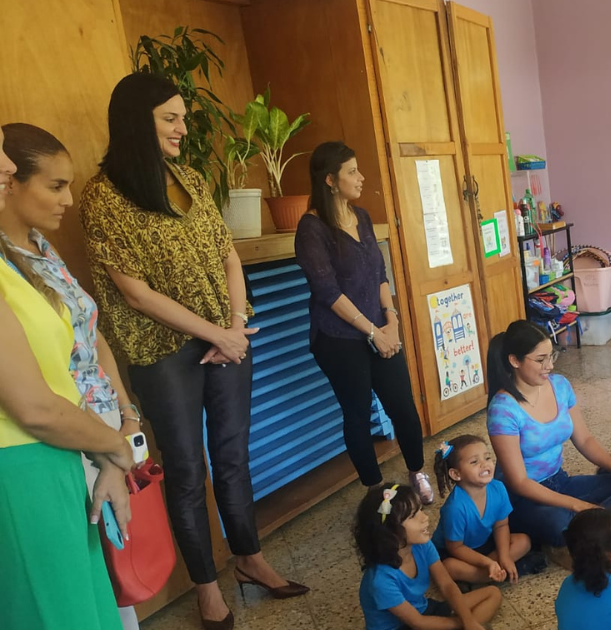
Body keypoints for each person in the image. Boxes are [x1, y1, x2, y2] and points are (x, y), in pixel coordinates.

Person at [77, 72, 305, 628]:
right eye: (170, 118)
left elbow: (228, 255)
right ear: (137, 121)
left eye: (182, 116)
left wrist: (232, 324)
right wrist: (217, 335)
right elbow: (134, 291)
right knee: (185, 469)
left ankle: (249, 559)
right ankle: (207, 587)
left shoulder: (190, 177)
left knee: (232, 456)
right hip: (162, 352)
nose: (183, 127)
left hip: (223, 339)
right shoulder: (102, 198)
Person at [0, 122, 142, 629]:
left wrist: (124, 422)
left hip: (86, 440)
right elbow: (36, 402)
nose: (68, 198)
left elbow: (89, 334)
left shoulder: (42, 249)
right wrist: (112, 448)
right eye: (55, 185)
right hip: (46, 449)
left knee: (97, 598)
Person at [294, 140, 431, 500]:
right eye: (351, 171)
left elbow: (379, 275)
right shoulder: (311, 228)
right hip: (338, 338)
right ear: (329, 180)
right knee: (357, 414)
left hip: (380, 328)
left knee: (402, 405)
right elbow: (327, 291)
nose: (360, 177)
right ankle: (376, 492)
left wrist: (391, 321)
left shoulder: (364, 217)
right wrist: (373, 332)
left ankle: (417, 474)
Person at [486, 320, 611, 564]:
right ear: (514, 361)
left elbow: (585, 440)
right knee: (559, 524)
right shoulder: (503, 409)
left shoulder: (559, 385)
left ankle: (586, 537)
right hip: (522, 499)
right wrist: (579, 506)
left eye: (552, 356)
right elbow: (520, 482)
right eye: (540, 360)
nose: (549, 366)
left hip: (559, 481)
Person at [354, 484, 500, 630]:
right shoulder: (381, 580)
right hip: (402, 626)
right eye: (413, 516)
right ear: (390, 533)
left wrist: (469, 622)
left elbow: (447, 585)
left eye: (420, 510)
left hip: (422, 611)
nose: (425, 517)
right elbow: (418, 623)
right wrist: (466, 624)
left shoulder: (422, 545)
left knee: (493, 594)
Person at [430, 434, 545, 585]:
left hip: (485, 543)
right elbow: (455, 548)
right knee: (449, 567)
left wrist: (503, 556)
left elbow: (501, 525)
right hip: (457, 552)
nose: (485, 465)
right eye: (474, 462)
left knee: (523, 541)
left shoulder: (498, 488)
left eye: (487, 458)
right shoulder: (455, 508)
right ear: (456, 474)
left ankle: (487, 574)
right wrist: (487, 563)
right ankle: (503, 572)